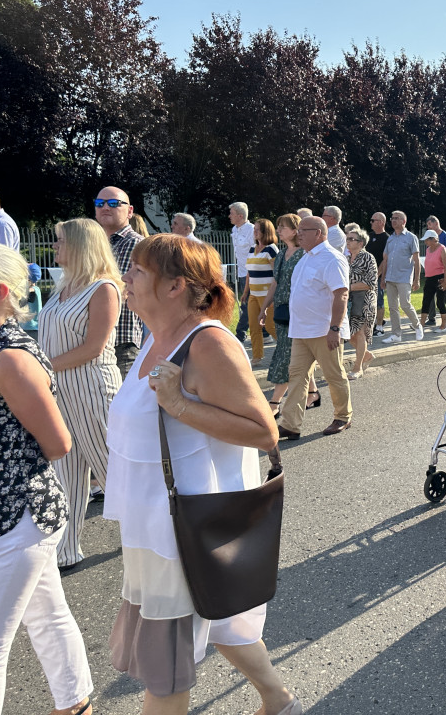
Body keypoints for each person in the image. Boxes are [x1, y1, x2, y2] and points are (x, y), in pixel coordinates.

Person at [103, 234, 300, 715]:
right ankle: (279, 699)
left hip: (185, 525)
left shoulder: (208, 343)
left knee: (164, 666)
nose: (125, 277)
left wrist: (178, 404)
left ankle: (278, 699)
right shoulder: (156, 337)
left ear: (175, 286)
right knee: (217, 617)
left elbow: (264, 432)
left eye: (138, 272)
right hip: (154, 523)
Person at [0, 241, 93, 715]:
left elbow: (59, 443)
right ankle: (76, 704)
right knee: (47, 617)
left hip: (16, 516)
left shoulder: (10, 357)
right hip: (7, 515)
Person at [39, 219, 123, 571]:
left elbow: (93, 347)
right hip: (59, 391)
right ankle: (63, 552)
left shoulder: (103, 288)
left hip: (92, 389)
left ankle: (160, 533)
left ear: (80, 245)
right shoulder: (63, 286)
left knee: (113, 470)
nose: (54, 247)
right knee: (64, 474)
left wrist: (41, 368)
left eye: (60, 241)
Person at [276, 216, 352, 440]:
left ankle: (342, 416)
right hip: (301, 331)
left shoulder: (332, 259)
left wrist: (335, 328)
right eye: (298, 230)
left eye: (303, 230)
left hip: (324, 330)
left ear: (319, 233)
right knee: (297, 376)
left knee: (333, 375)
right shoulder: (305, 258)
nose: (298, 234)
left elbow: (342, 294)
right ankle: (290, 424)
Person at [94, 186, 145, 378]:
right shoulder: (95, 245)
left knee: (121, 407)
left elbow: (121, 291)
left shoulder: (137, 245)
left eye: (114, 203)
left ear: (130, 211)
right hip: (93, 343)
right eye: (100, 203)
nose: (105, 207)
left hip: (121, 343)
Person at [258, 214, 304, 417]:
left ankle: (274, 403)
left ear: (295, 231)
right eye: (278, 227)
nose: (278, 230)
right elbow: (275, 283)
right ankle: (312, 393)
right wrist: (264, 307)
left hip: (299, 311)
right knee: (292, 353)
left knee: (287, 353)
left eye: (283, 227)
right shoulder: (282, 254)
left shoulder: (304, 254)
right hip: (282, 310)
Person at [379, 210, 423, 344]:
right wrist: (382, 278)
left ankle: (417, 325)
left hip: (404, 277)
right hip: (390, 278)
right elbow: (385, 259)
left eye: (396, 218)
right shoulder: (390, 238)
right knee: (392, 307)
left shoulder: (411, 237)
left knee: (405, 304)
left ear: (404, 221)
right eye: (392, 218)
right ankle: (396, 334)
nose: (393, 220)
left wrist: (417, 279)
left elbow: (416, 260)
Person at [244, 219, 278, 365]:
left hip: (267, 296)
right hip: (253, 294)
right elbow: (249, 273)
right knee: (253, 326)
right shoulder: (252, 249)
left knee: (270, 326)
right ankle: (257, 357)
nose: (255, 232)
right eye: (254, 229)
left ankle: (291, 348)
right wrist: (245, 292)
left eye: (258, 230)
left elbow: (277, 274)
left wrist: (274, 297)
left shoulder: (271, 249)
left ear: (266, 232)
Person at [345, 228, 378, 379]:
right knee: (349, 334)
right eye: (347, 238)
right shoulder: (346, 259)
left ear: (361, 243)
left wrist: (348, 287)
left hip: (364, 300)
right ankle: (366, 355)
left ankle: (358, 368)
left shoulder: (368, 257)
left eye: (352, 239)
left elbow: (370, 282)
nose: (348, 241)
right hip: (348, 300)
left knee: (359, 333)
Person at [423, 215, 446, 326]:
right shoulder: (429, 239)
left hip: (443, 271)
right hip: (431, 274)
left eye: (430, 224)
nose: (428, 227)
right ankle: (432, 319)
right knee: (430, 297)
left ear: (436, 223)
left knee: (445, 296)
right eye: (427, 225)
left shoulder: (444, 236)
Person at [229, 202, 255, 345]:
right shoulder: (235, 229)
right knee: (247, 304)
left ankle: (240, 333)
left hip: (252, 273)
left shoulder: (251, 230)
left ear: (240, 215)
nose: (229, 216)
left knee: (247, 304)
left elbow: (255, 250)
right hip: (242, 272)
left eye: (232, 213)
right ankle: (263, 332)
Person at [419, 230, 446, 334]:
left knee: (440, 302)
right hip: (429, 278)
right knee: (426, 301)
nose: (425, 242)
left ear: (433, 239)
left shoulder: (442, 249)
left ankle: (443, 325)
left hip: (440, 278)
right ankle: (421, 325)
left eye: (427, 240)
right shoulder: (428, 250)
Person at [368, 212, 390, 336]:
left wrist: (378, 274)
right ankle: (374, 321)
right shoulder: (369, 236)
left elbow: (385, 259)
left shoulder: (387, 238)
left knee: (379, 301)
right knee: (369, 301)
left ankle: (380, 327)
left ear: (381, 222)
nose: (370, 222)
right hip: (368, 274)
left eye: (373, 220)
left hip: (379, 275)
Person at [20, 262, 44, 340]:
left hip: (32, 327)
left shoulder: (34, 290)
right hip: (27, 326)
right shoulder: (32, 289)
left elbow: (28, 293)